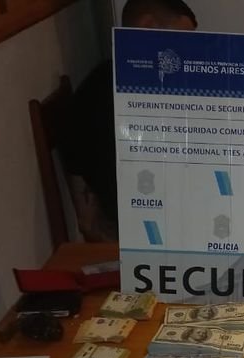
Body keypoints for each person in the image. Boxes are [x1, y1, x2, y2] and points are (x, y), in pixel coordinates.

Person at [62, 0, 197, 242]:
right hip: (138, 230)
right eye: (182, 39)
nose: (186, 52)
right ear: (147, 27)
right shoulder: (105, 90)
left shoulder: (106, 81)